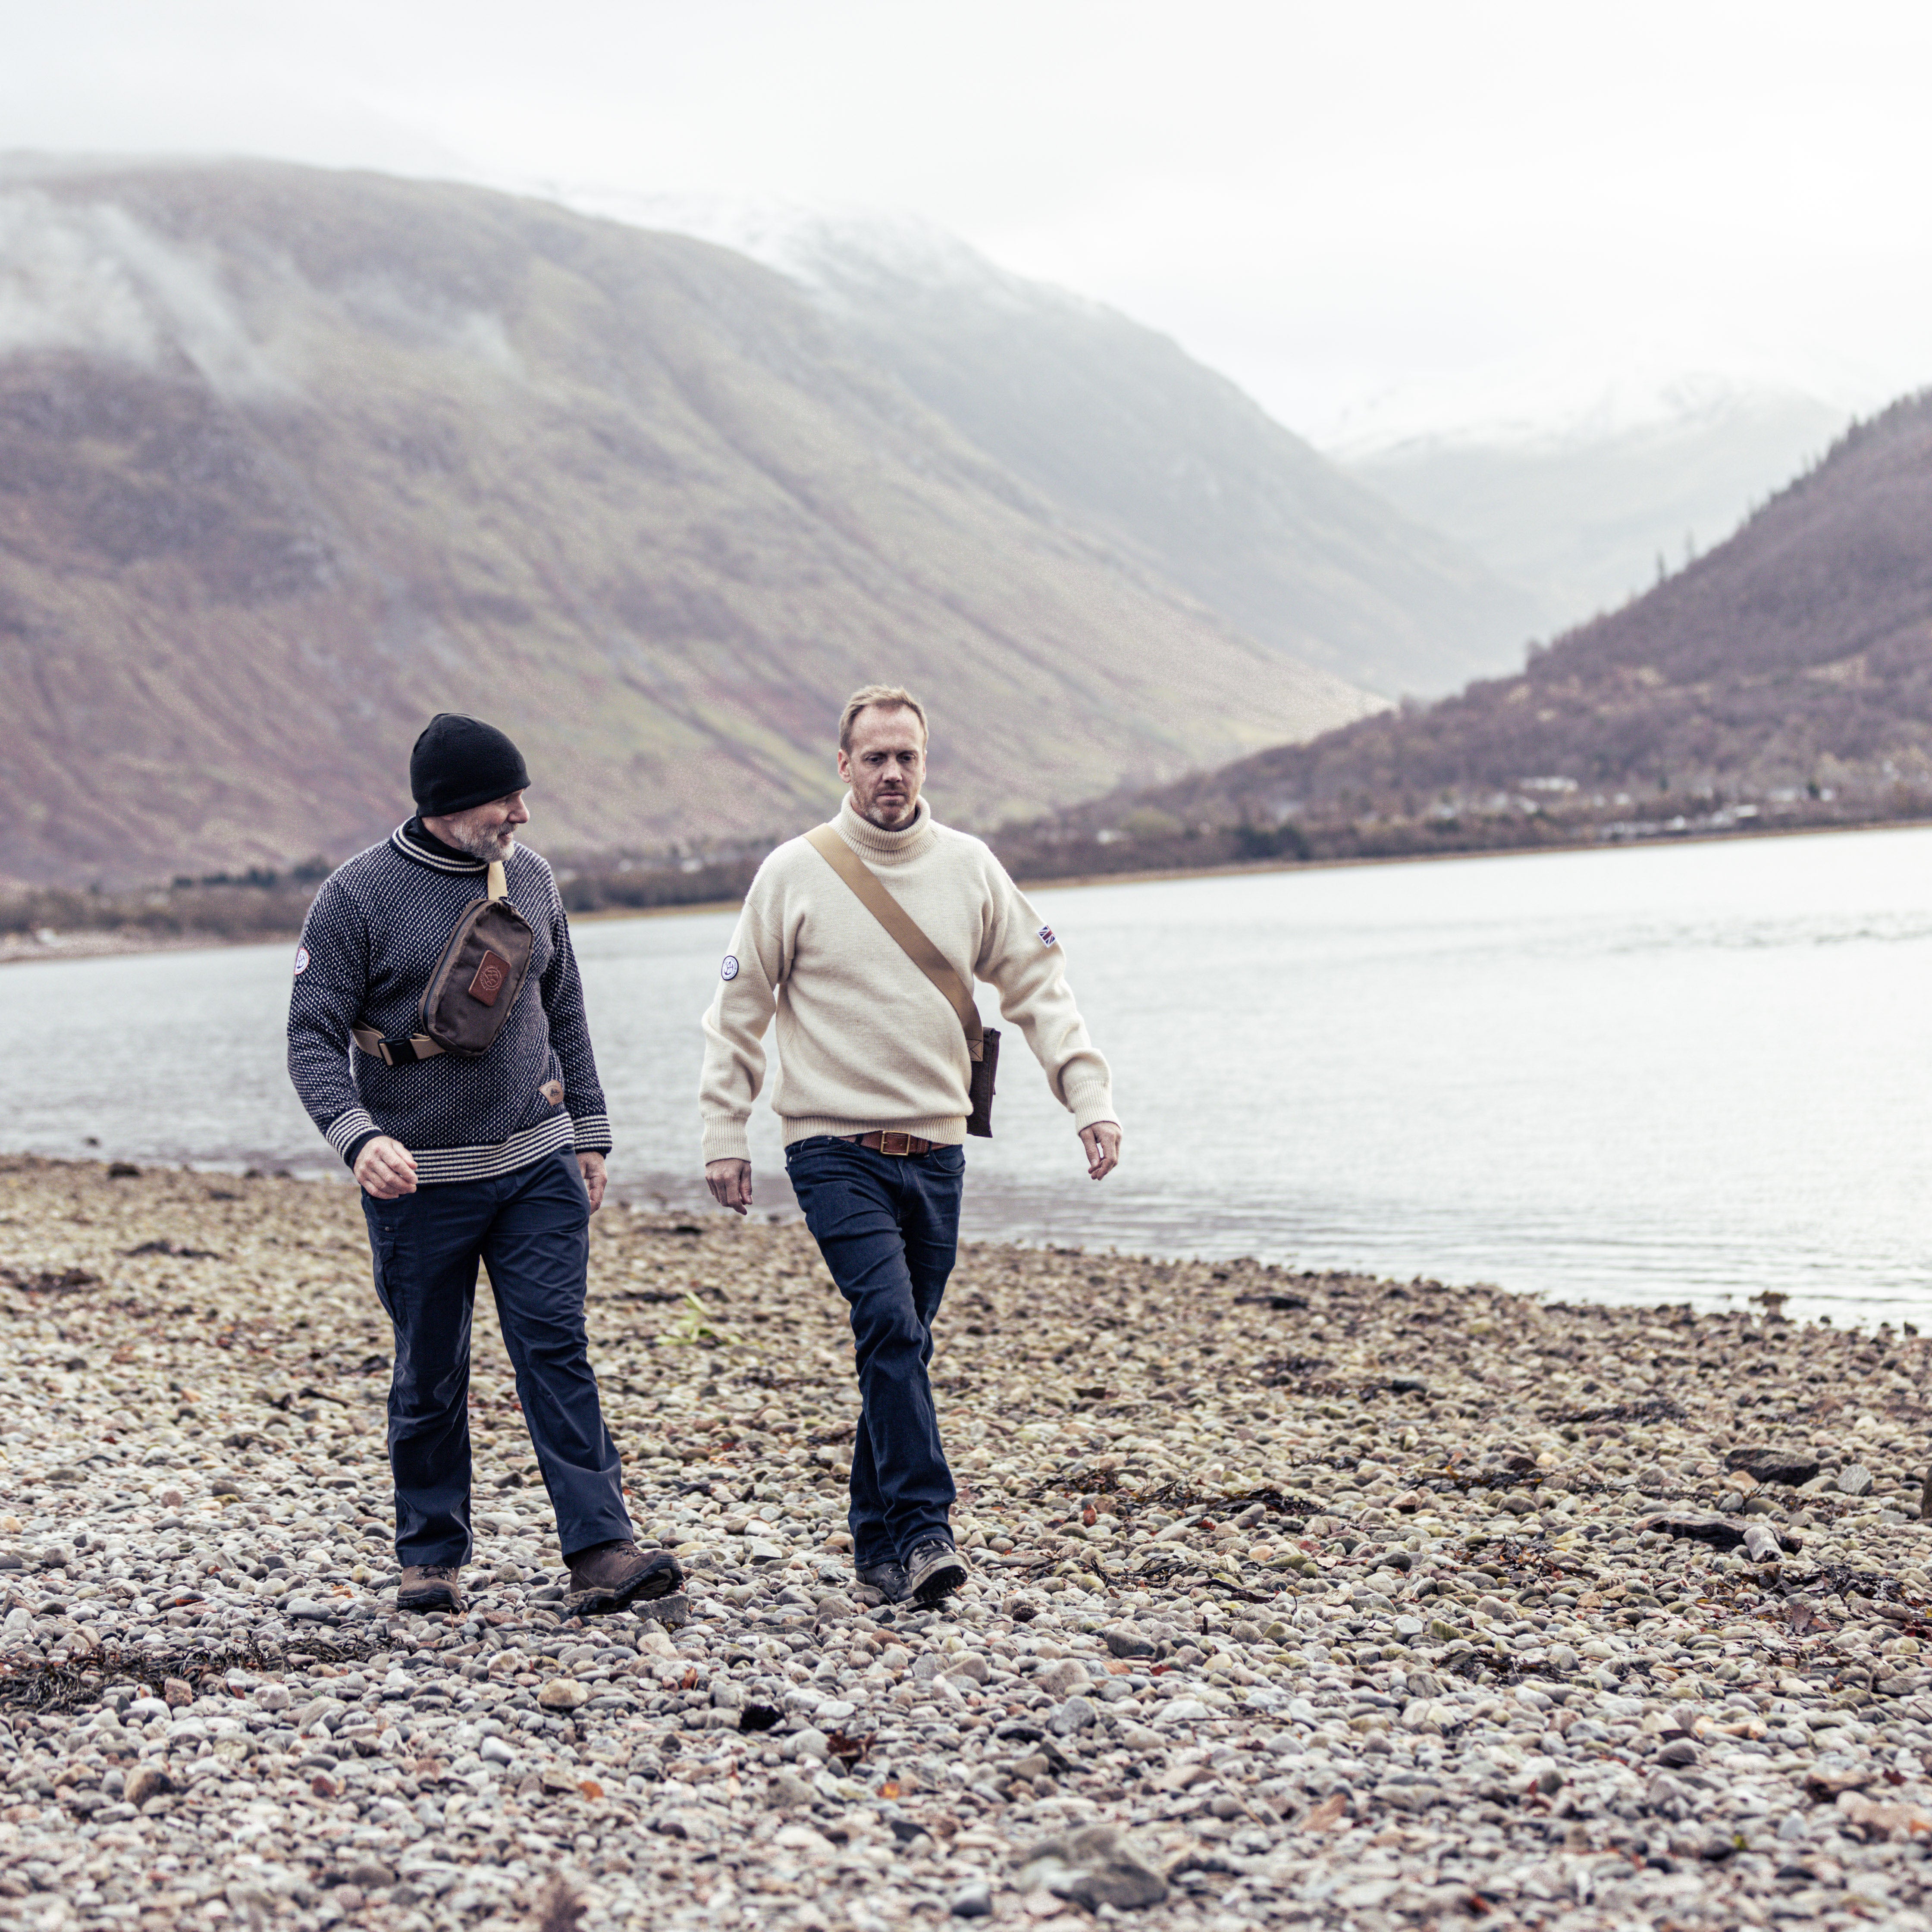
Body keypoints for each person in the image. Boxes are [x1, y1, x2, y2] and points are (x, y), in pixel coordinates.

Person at [699, 684, 1122, 1606]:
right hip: (829, 1146)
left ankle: (873, 1541)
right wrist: (723, 1130)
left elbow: (1038, 985)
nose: (892, 772)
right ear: (843, 765)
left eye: (908, 756)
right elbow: (738, 1010)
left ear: (924, 765)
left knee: (902, 1344)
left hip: (935, 1149)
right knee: (888, 1323)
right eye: (875, 756)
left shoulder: (970, 868)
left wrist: (1086, 1098)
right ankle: (928, 1526)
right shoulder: (793, 872)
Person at [288, 713, 680, 1619]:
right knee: (430, 1366)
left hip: (537, 1161)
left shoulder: (532, 880)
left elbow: (565, 1010)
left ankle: (602, 1548)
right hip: (417, 1177)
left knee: (556, 1346)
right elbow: (310, 1038)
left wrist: (590, 1131)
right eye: (507, 796)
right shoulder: (355, 898)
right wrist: (358, 1135)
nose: (523, 813)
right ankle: (430, 1556)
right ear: (450, 805)